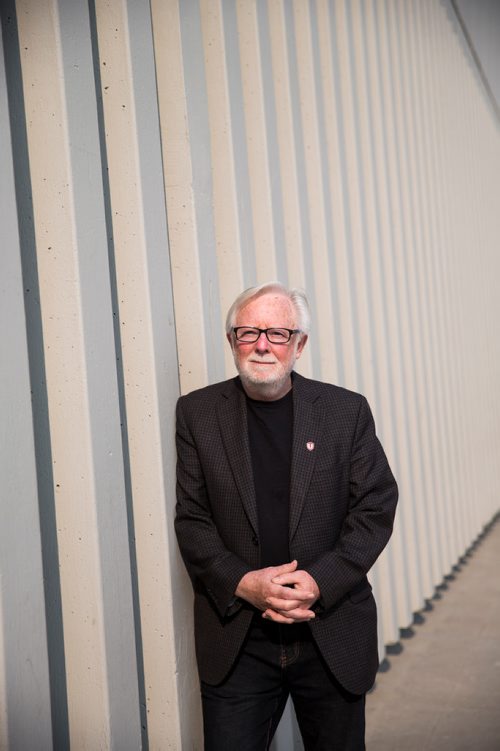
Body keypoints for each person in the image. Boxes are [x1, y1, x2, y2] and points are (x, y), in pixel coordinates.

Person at [175, 282, 398, 750]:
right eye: (248, 332)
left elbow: (375, 507)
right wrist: (244, 583)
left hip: (328, 627)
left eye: (277, 333)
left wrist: (319, 579)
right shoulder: (197, 413)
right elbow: (193, 520)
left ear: (300, 345)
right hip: (238, 638)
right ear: (232, 341)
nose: (261, 345)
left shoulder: (345, 411)